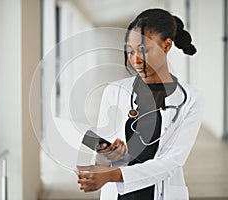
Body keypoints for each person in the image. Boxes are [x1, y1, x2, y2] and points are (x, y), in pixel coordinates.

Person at [76, 8, 202, 200]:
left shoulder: (189, 99)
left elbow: (172, 161)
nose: (136, 60)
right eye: (130, 51)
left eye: (145, 50)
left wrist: (112, 175)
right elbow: (103, 160)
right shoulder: (114, 91)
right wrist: (103, 158)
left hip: (161, 193)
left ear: (167, 45)